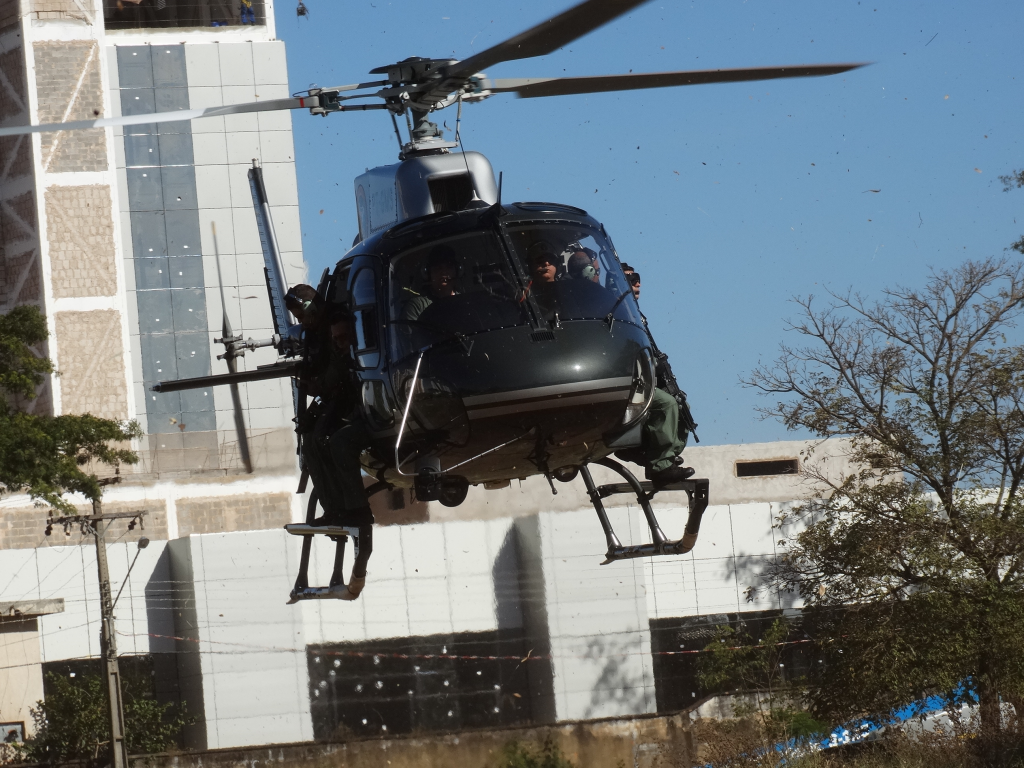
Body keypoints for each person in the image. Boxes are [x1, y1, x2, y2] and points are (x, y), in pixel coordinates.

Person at [402, 245, 460, 321]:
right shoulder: (418, 306)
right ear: (428, 273)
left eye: (449, 267)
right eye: (438, 268)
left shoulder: (465, 301)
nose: (444, 272)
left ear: (457, 272)